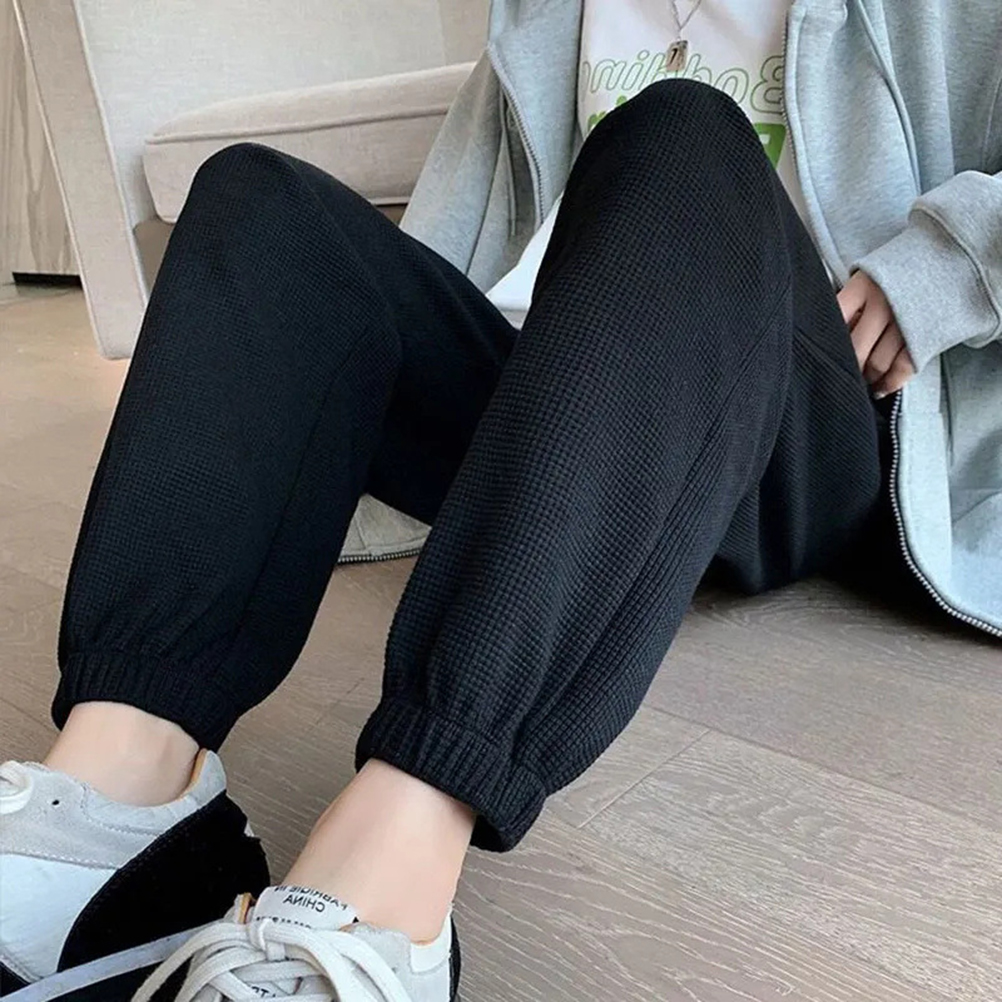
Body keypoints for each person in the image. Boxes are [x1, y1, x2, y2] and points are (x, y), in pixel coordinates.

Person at [2, 1, 1000, 999]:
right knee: (263, 203)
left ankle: (393, 861)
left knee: (683, 130)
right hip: (597, 395)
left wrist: (947, 263)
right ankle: (119, 799)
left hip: (821, 419)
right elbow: (459, 234)